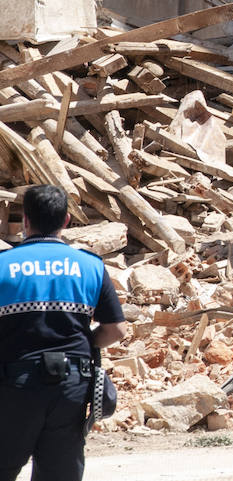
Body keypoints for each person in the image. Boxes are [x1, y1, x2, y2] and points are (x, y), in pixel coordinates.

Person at [0, 185, 128, 481]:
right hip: (71, 387)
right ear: (67, 221)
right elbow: (116, 330)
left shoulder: (4, 265)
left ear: (26, 221)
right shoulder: (90, 266)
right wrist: (84, 345)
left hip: (15, 386)